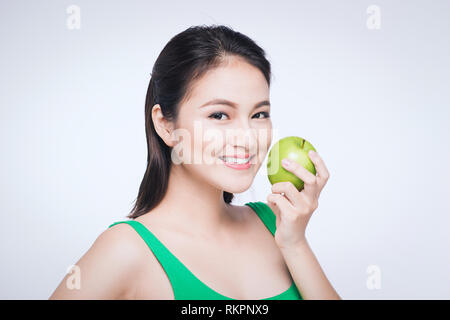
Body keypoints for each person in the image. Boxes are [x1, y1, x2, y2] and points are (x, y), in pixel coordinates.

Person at [49, 24, 341, 300]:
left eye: (259, 114)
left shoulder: (274, 227)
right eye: (219, 115)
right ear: (165, 125)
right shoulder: (125, 249)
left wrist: (295, 243)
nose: (248, 138)